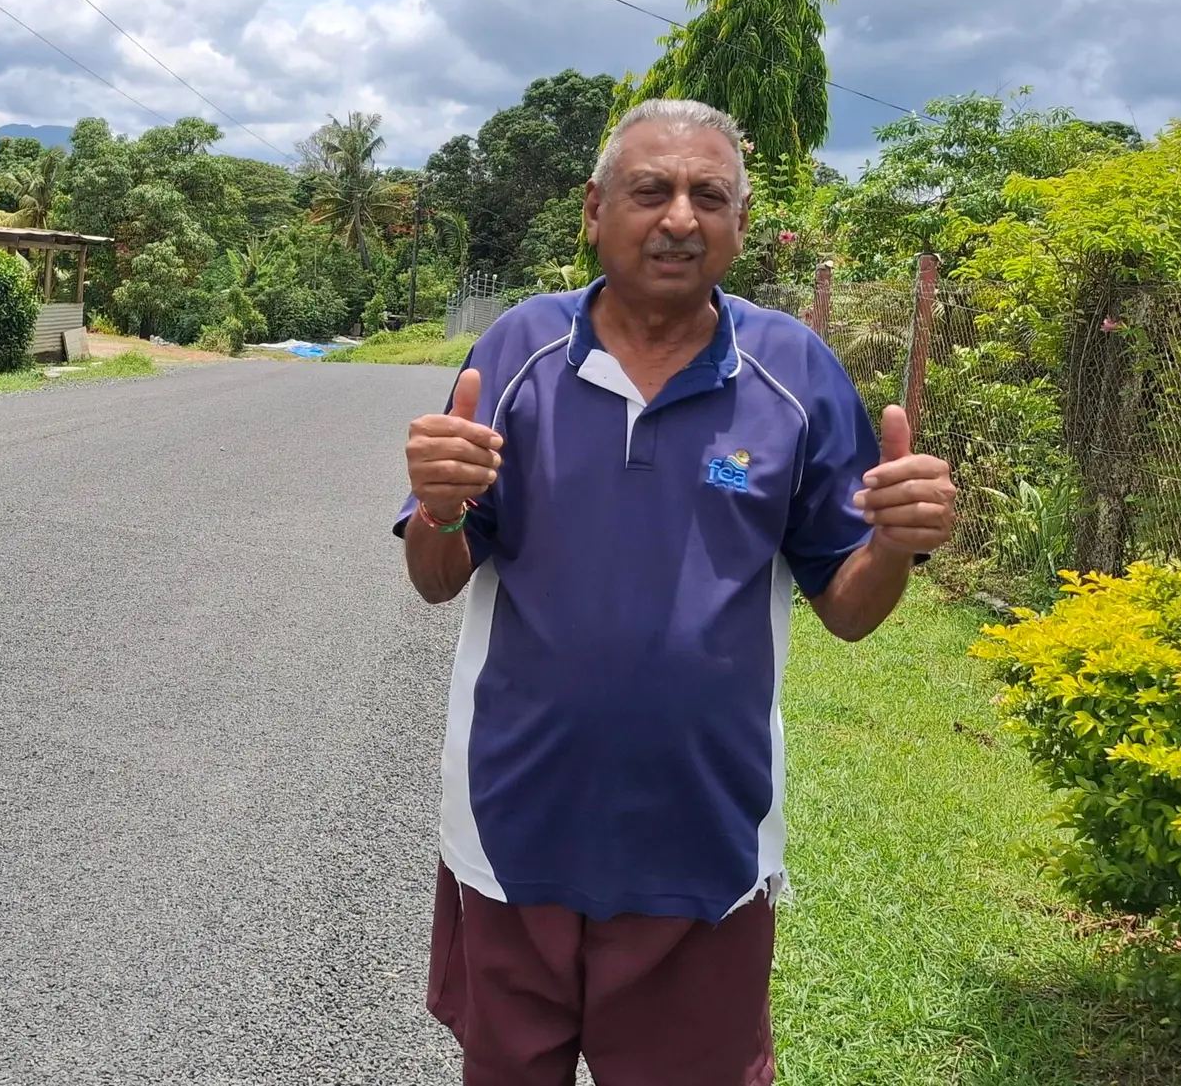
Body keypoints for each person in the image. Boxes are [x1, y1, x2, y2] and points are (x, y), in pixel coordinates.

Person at [397, 98, 957, 1086]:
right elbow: (439, 579)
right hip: (512, 822)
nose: (680, 218)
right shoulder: (517, 353)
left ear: (741, 222)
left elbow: (849, 609)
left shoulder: (793, 376)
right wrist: (439, 509)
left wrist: (895, 545)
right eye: (651, 191)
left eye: (711, 195)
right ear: (594, 209)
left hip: (704, 843)